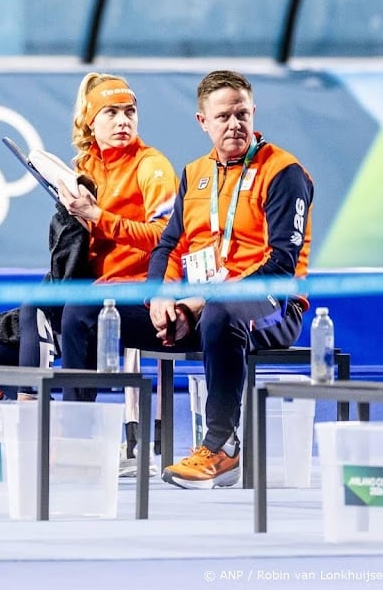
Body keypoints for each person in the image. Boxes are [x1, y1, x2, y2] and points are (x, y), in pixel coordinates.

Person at [60, 70, 313, 490]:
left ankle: (221, 447)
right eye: (224, 116)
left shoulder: (284, 172)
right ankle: (78, 440)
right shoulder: (195, 171)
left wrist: (196, 301)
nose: (234, 124)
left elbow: (282, 264)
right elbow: (167, 247)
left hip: (271, 306)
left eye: (242, 114)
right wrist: (162, 297)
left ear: (253, 114)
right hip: (195, 306)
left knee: (221, 311)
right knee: (84, 307)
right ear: (203, 122)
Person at [0, 73, 177, 468]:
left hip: (136, 294)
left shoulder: (152, 166)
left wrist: (97, 216)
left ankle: (77, 436)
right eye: (112, 113)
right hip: (87, 289)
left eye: (130, 112)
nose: (123, 121)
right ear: (90, 121)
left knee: (75, 313)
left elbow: (164, 238)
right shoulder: (86, 168)